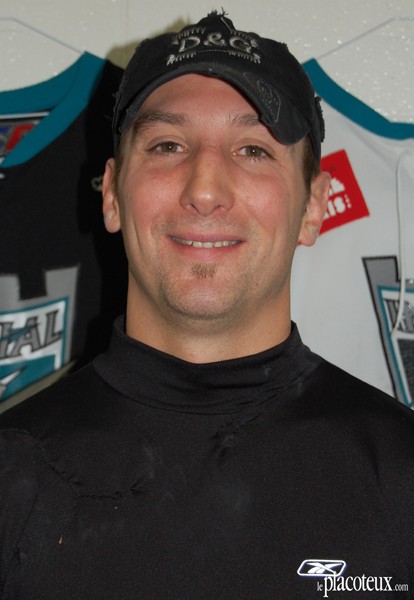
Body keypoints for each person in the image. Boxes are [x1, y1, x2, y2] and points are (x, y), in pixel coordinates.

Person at [1, 11, 413, 600]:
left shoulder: (400, 474)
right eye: (168, 145)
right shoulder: (12, 471)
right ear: (112, 194)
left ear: (314, 206)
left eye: (253, 149)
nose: (204, 190)